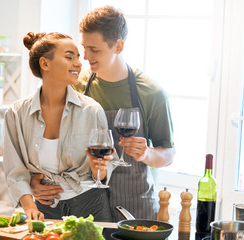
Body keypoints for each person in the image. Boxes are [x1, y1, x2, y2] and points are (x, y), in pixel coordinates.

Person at [30, 5, 175, 222]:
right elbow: (48, 144)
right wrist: (35, 180)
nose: (85, 56)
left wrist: (146, 154)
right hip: (82, 206)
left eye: (94, 50)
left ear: (118, 46)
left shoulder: (151, 93)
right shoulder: (74, 86)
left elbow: (168, 155)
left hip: (133, 206)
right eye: (84, 48)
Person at [2, 31, 115, 221]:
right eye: (69, 57)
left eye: (78, 57)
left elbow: (105, 168)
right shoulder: (16, 113)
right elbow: (15, 170)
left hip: (91, 207)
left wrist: (99, 169)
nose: (79, 63)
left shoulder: (91, 110)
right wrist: (29, 207)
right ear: (45, 64)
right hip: (44, 209)